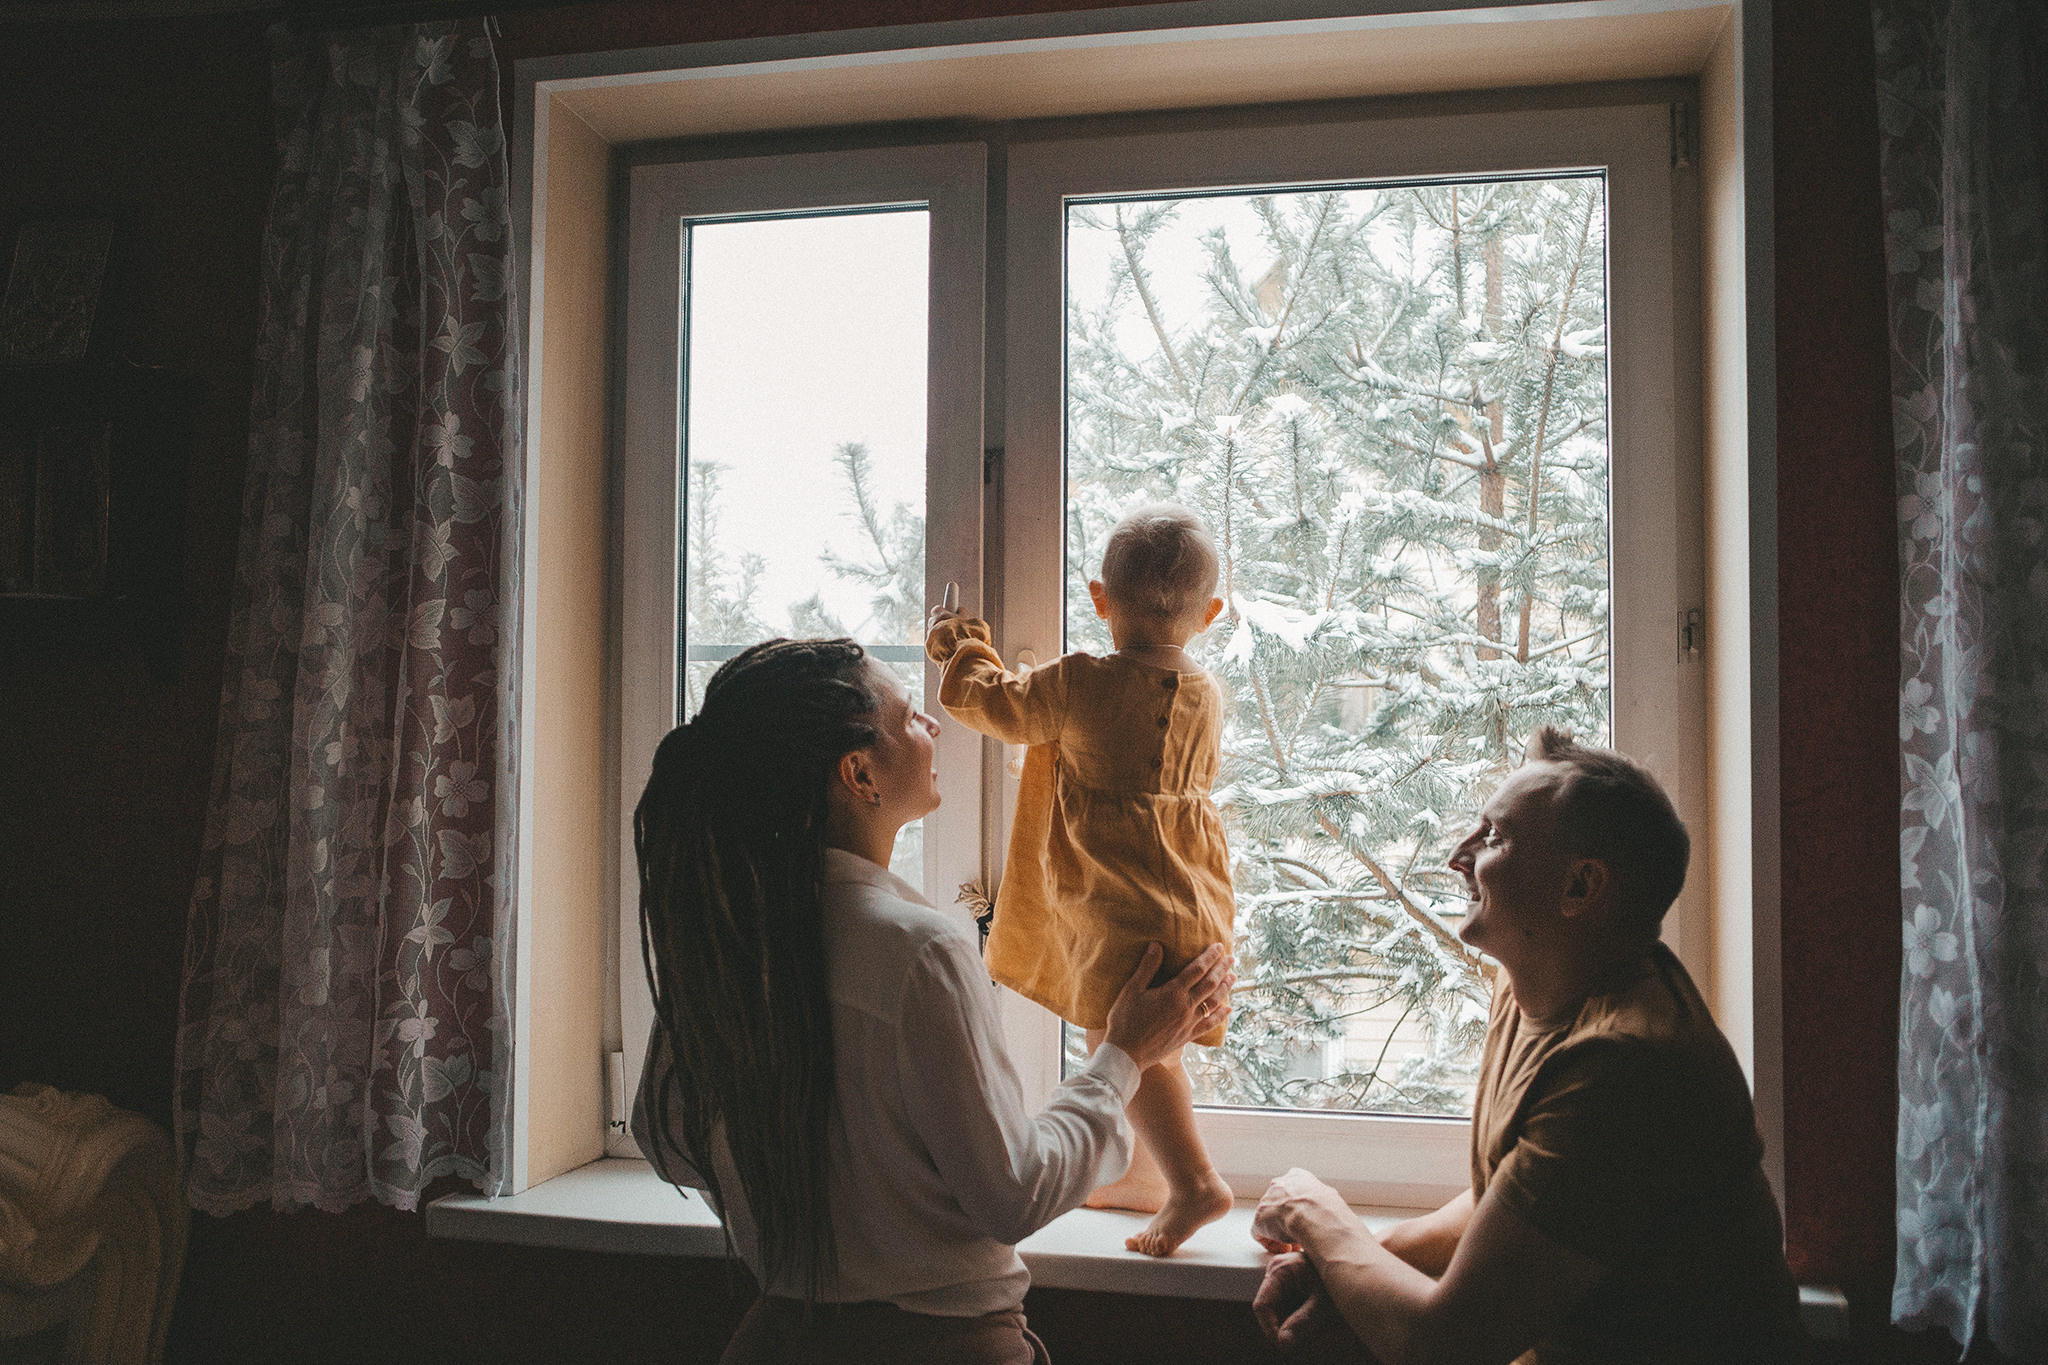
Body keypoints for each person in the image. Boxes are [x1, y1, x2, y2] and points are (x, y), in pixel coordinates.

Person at [630, 637, 1234, 1364]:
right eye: (913, 716)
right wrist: (1125, 1054)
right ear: (859, 774)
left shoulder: (728, 937)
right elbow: (1014, 1195)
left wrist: (806, 1192)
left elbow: (663, 1138)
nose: (936, 727)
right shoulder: (918, 952)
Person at [1249, 727, 1803, 1365]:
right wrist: (1354, 1258)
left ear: (1580, 888)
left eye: (1493, 837)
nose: (1459, 856)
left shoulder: (1624, 1067)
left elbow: (1446, 1342)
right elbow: (1517, 1206)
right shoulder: (1534, 988)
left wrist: (1311, 1213)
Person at [924, 503, 1237, 1258]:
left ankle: (1195, 1182)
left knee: (1119, 1035)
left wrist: (961, 647)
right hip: (1194, 893)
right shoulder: (1206, 693)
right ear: (1212, 614)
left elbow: (990, 703)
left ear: (1100, 598)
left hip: (1121, 903)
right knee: (1162, 1044)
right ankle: (1149, 1175)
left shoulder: (1081, 683)